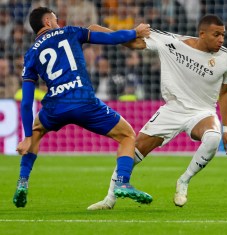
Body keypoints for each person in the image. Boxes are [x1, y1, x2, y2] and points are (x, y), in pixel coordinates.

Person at [87, 14, 227, 210]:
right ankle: (109, 199)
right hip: (172, 110)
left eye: (223, 35)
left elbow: (225, 92)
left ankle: (184, 180)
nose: (221, 40)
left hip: (203, 112)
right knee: (135, 149)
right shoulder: (171, 42)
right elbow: (133, 43)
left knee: (213, 138)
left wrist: (226, 128)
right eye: (217, 35)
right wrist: (101, 33)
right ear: (202, 34)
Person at [13, 6, 153, 208]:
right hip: (83, 100)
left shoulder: (31, 54)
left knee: (35, 131)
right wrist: (135, 32)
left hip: (55, 106)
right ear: (47, 22)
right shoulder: (70, 32)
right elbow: (112, 39)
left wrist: (26, 136)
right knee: (127, 135)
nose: (58, 21)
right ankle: (122, 182)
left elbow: (26, 103)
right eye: (55, 18)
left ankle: (23, 182)